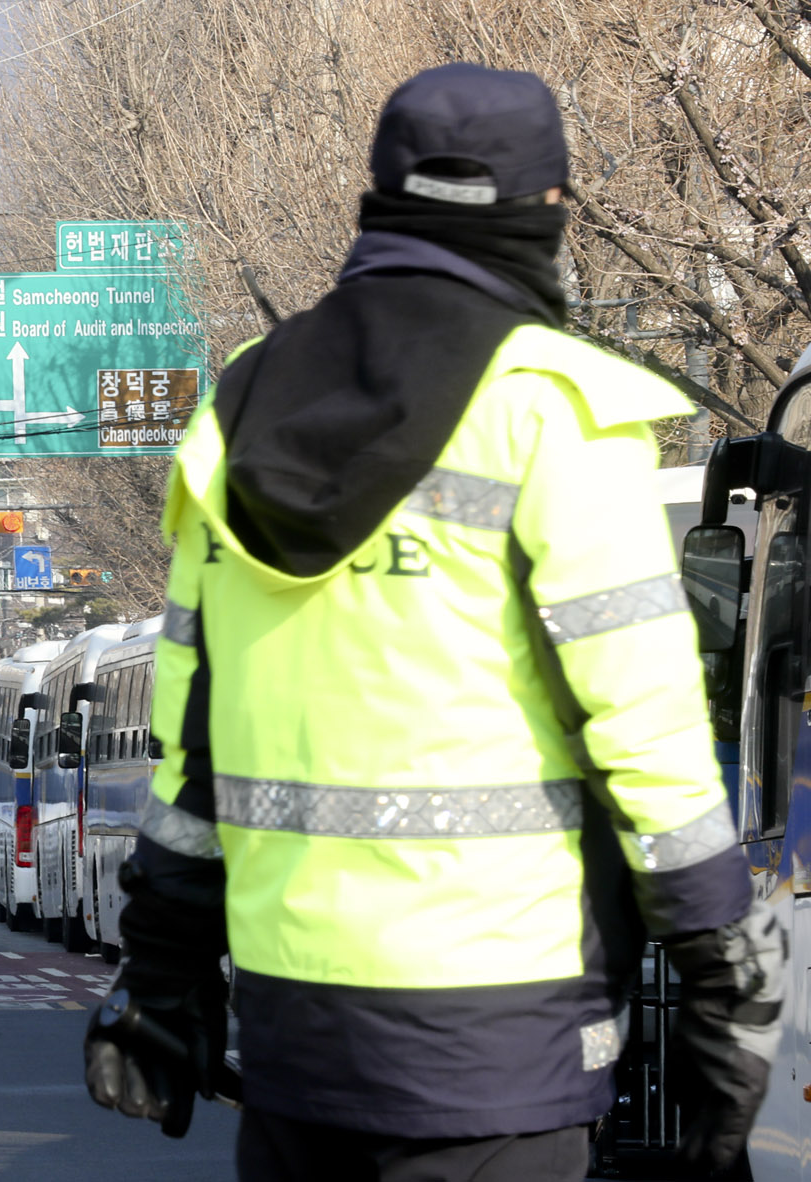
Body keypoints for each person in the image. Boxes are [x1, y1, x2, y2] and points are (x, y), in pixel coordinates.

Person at [84, 62, 781, 1181]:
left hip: (294, 1032)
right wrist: (720, 982)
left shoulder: (241, 405)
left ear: (379, 197)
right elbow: (645, 738)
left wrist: (158, 973)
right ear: (546, 211)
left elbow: (189, 752)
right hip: (499, 1039)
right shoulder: (552, 408)